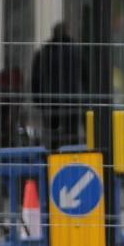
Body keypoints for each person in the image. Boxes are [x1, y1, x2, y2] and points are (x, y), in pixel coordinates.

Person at [29, 22, 85, 151]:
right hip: (72, 101)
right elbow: (86, 76)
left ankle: (53, 161)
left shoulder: (43, 53)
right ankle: (71, 159)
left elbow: (36, 79)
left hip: (50, 102)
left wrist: (38, 100)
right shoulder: (77, 51)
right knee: (71, 135)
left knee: (52, 135)